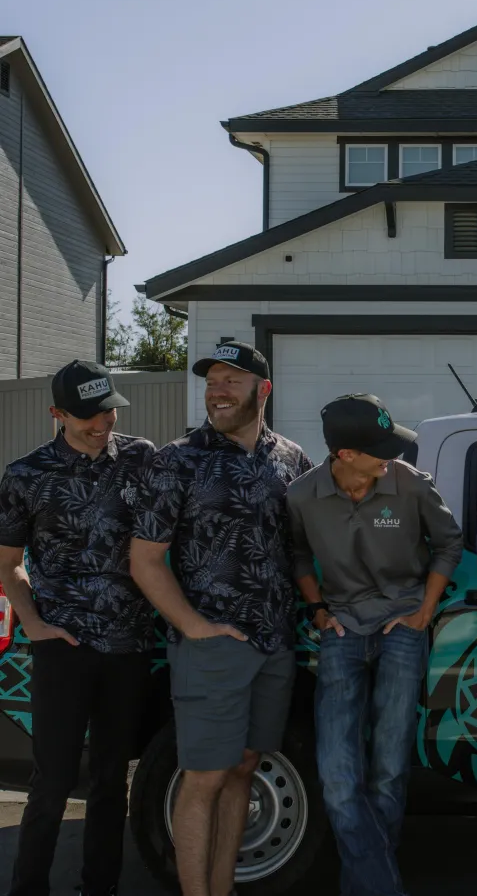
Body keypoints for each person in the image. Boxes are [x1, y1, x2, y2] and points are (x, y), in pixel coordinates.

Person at [130, 341, 312, 896]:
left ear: (264, 389)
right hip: (213, 644)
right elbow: (145, 558)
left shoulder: (290, 458)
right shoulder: (178, 459)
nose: (218, 390)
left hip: (275, 644)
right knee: (204, 777)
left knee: (245, 766)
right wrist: (193, 627)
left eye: (233, 380)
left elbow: (304, 544)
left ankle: (223, 887)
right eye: (213, 381)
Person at [287, 393, 463, 896]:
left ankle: (365, 887)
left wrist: (423, 612)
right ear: (344, 455)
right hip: (342, 627)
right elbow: (297, 554)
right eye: (379, 449)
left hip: (403, 626)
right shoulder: (301, 496)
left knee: (388, 770)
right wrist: (319, 610)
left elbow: (448, 543)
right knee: (338, 775)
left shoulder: (410, 485)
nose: (392, 456)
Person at [0, 361, 155, 896]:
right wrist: (36, 624)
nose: (102, 423)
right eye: (88, 415)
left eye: (108, 410)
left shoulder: (141, 458)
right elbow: (7, 563)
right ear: (57, 414)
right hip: (61, 647)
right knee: (54, 782)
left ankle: (100, 888)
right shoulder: (25, 475)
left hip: (128, 645)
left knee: (113, 781)